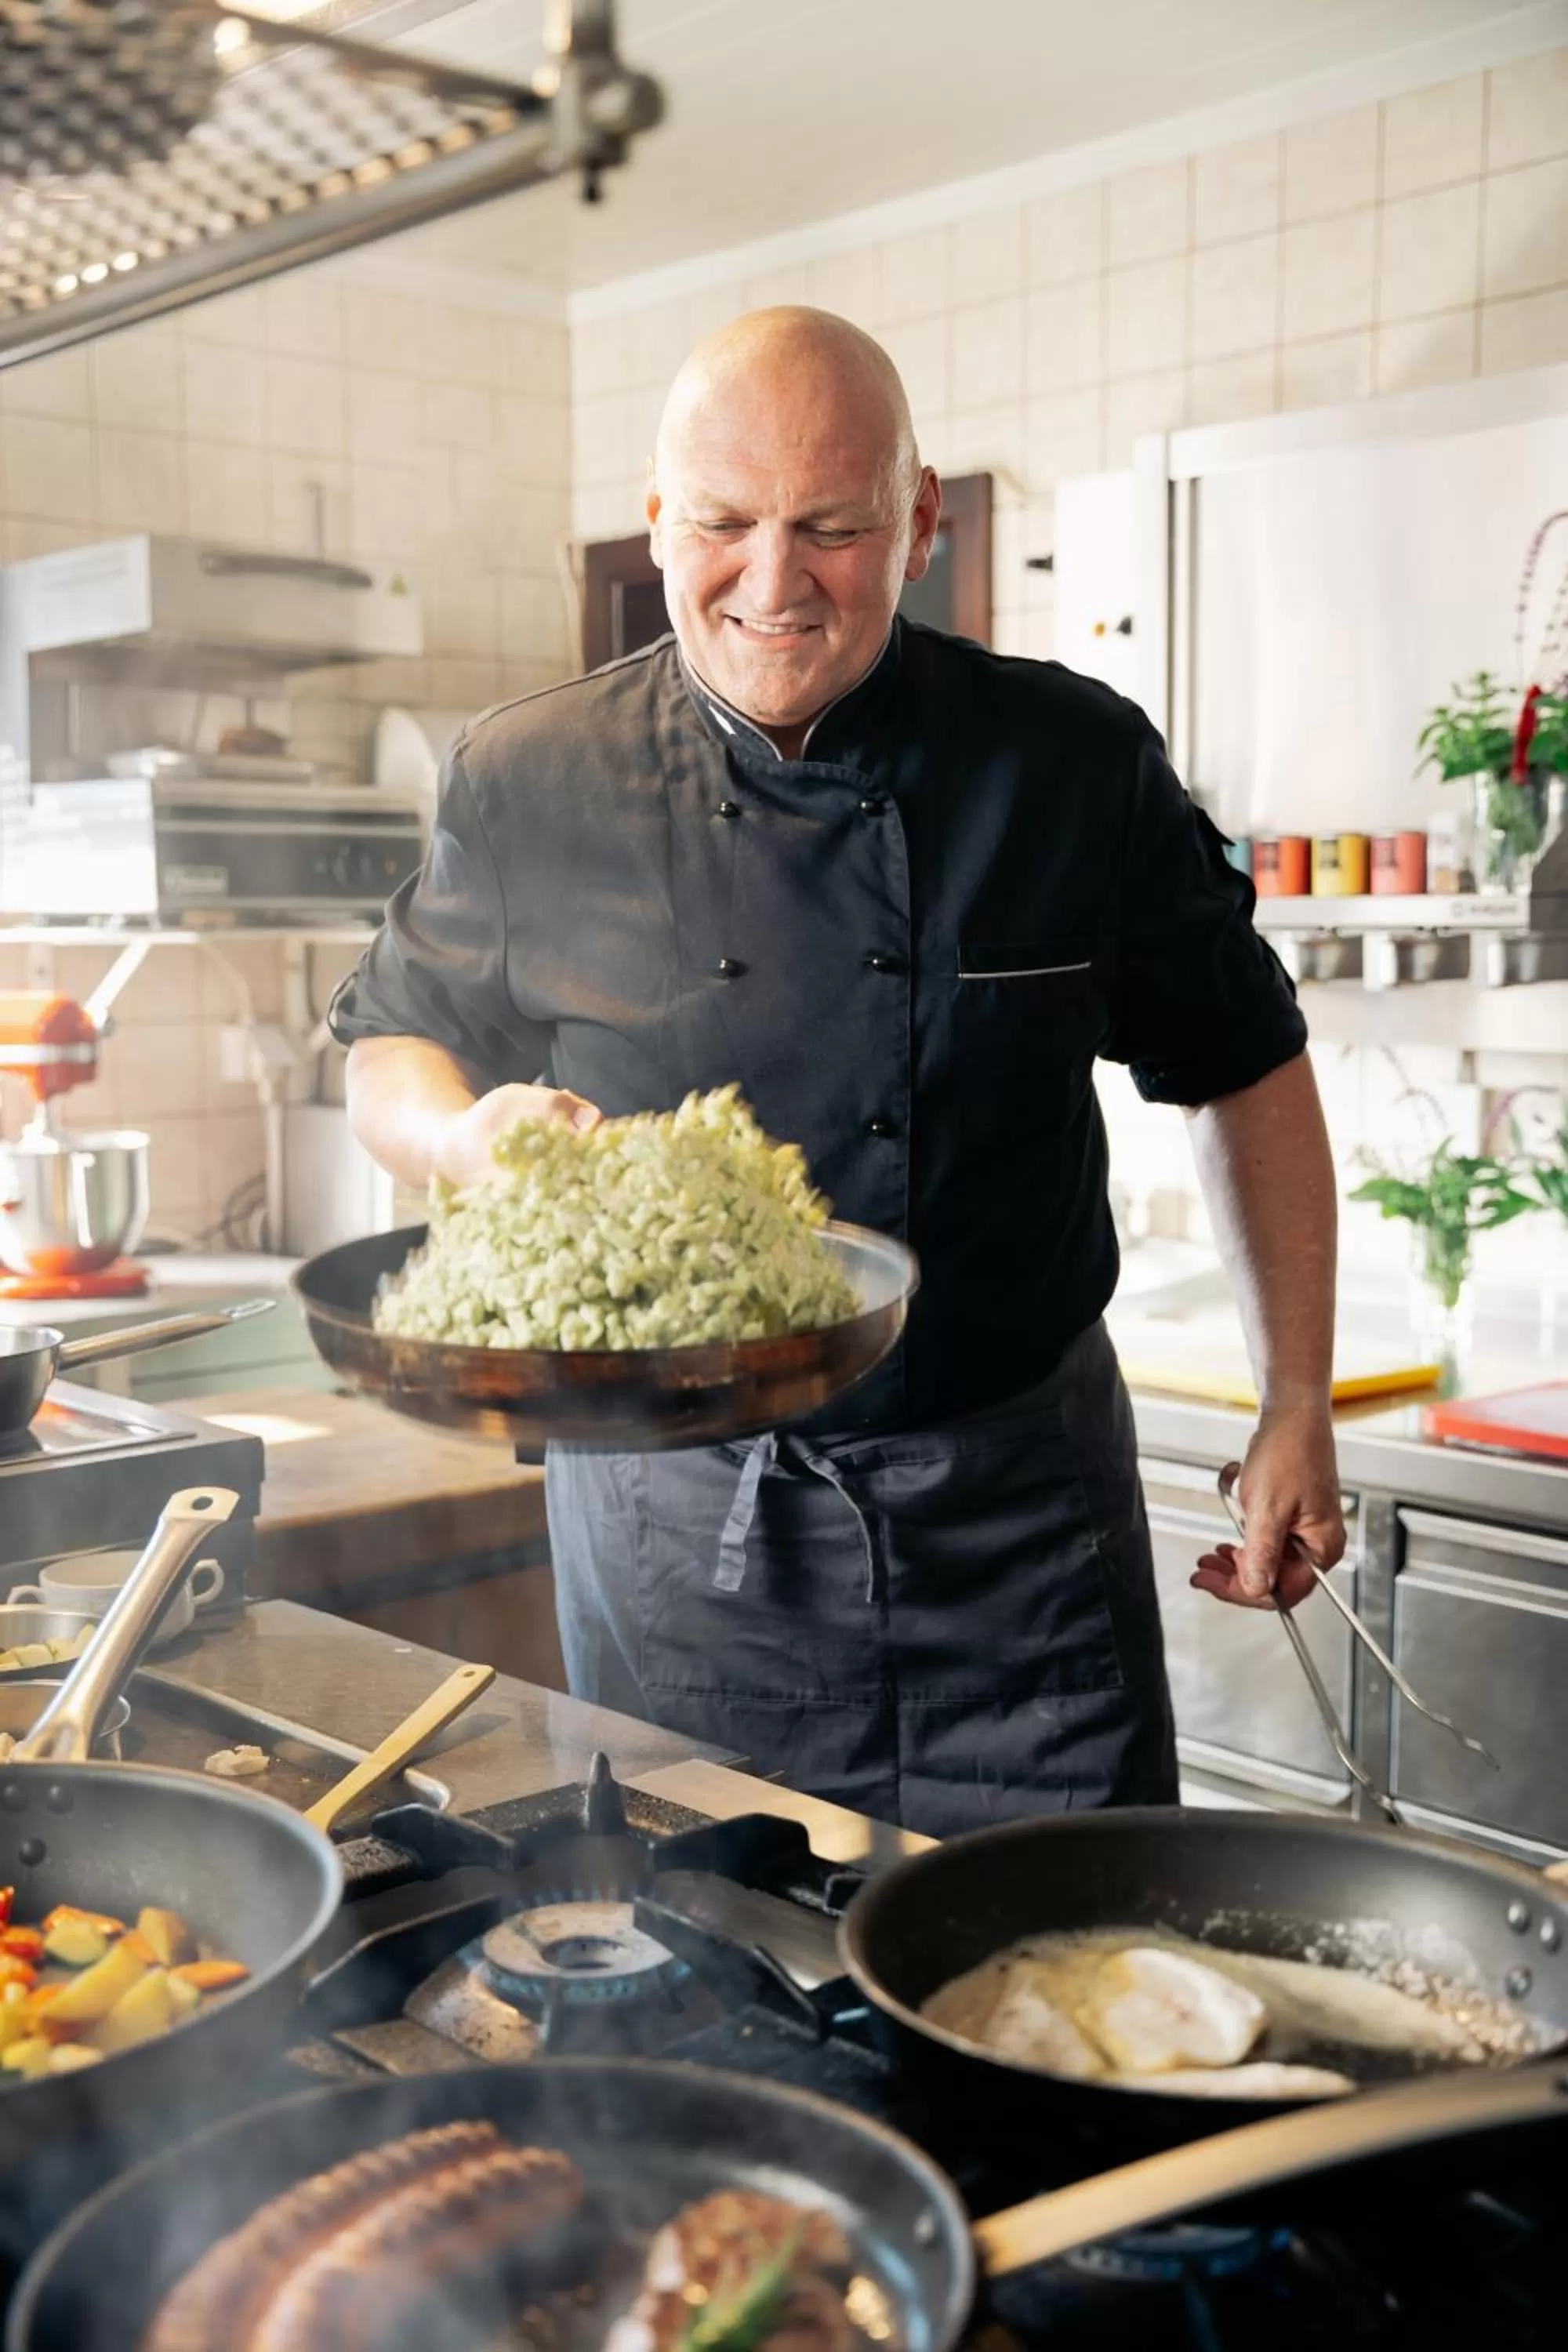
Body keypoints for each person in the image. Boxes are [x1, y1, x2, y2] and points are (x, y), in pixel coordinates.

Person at [331, 306, 1344, 1838]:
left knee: (1062, 1959)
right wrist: (461, 1137)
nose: (773, 580)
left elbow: (1245, 1068)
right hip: (681, 1529)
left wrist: (1295, 1401)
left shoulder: (1069, 765)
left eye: (834, 527)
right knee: (709, 1957)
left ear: (919, 521)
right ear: (658, 519)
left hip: (1020, 1520)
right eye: (725, 524)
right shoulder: (530, 776)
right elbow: (386, 1046)